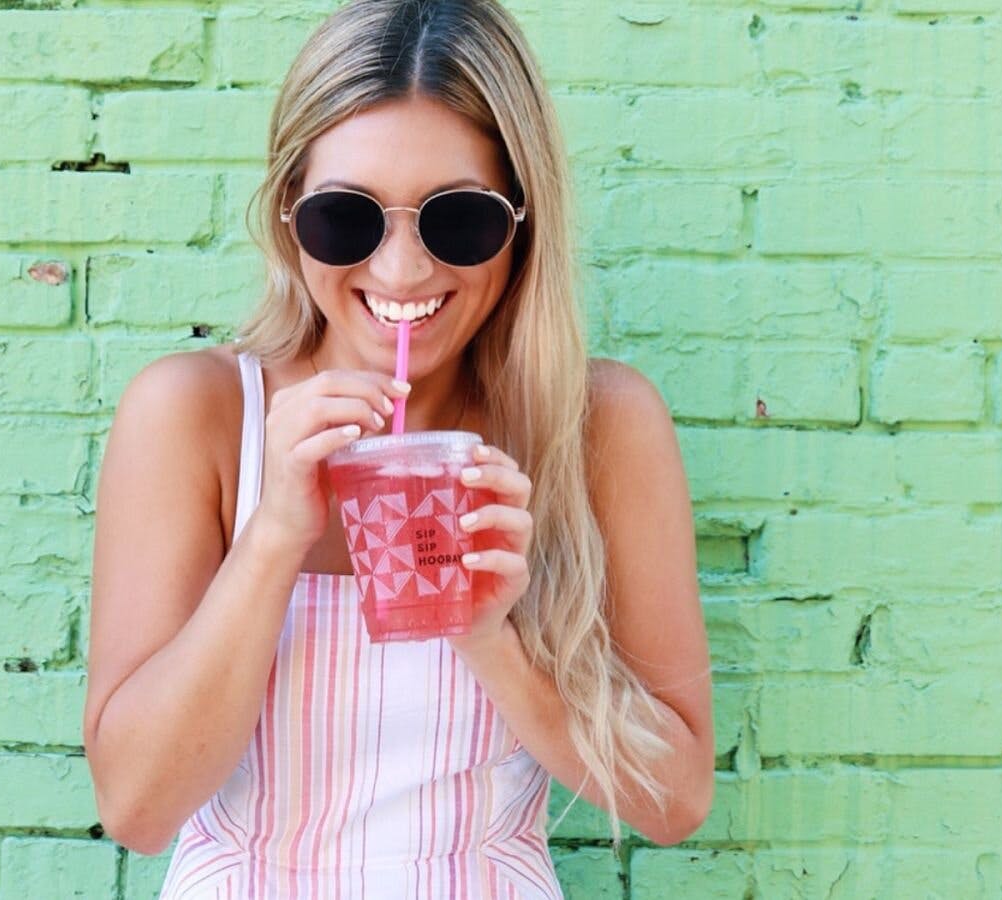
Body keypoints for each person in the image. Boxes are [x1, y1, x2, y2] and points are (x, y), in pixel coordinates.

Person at [82, 1, 713, 895]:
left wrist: (490, 634)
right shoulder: (196, 415)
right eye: (349, 218)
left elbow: (675, 801)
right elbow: (138, 810)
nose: (403, 269)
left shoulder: (600, 424)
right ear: (291, 209)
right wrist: (271, 538)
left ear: (522, 221)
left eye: (458, 220)